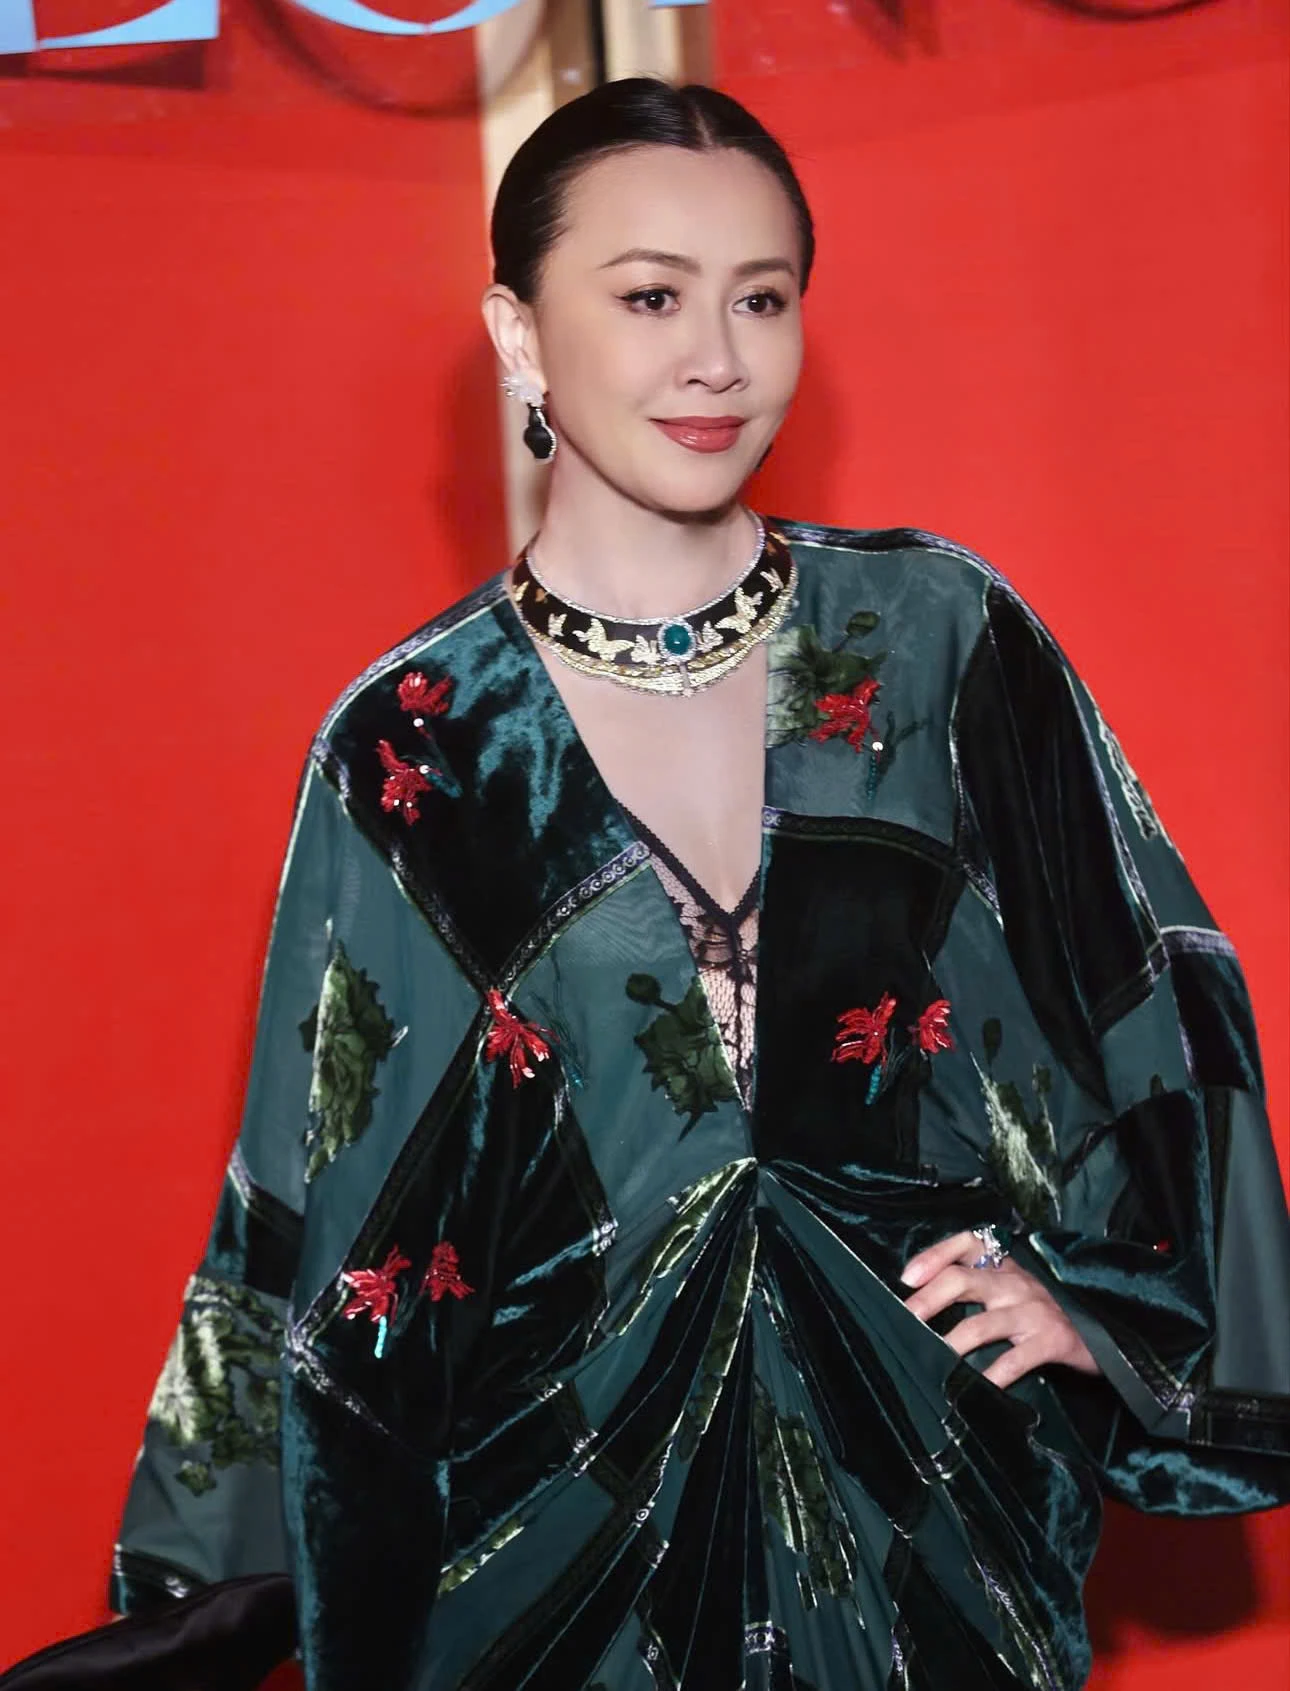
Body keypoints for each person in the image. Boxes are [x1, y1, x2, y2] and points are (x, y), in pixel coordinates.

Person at [7, 76, 1287, 1691]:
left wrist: (1106, 1305)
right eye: (649, 297)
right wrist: (205, 1597)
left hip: (923, 1516)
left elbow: (1146, 989)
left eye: (761, 297)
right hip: (551, 1547)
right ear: (519, 333)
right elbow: (322, 1197)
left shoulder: (935, 640)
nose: (718, 358)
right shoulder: (418, 743)